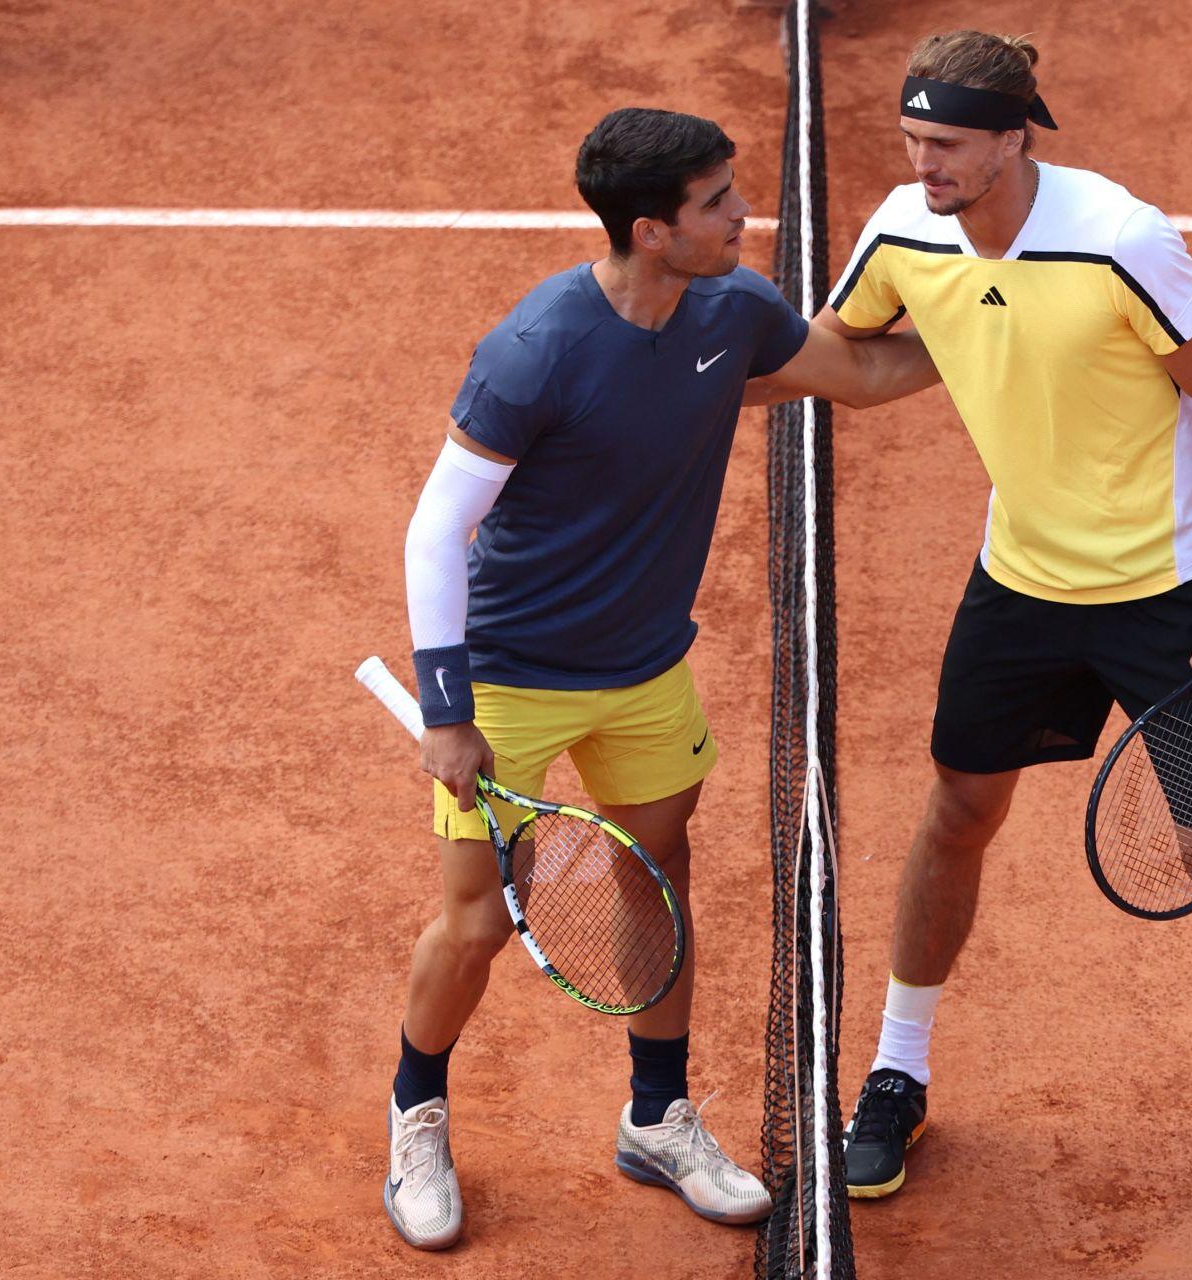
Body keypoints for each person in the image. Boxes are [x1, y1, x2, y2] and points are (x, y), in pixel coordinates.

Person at [817, 31, 1192, 1242]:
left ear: (1018, 137)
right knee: (958, 810)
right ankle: (899, 1070)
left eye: (947, 145)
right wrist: (692, 367)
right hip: (1020, 582)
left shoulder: (1121, 236)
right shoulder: (902, 226)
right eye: (911, 142)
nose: (923, 165)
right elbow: (856, 354)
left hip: (1170, 598)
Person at [383, 105, 938, 1251]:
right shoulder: (535, 348)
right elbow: (437, 530)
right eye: (718, 202)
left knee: (655, 878)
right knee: (480, 918)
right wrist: (449, 714)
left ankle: (657, 1113)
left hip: (645, 671)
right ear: (652, 228)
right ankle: (416, 1110)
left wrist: (1019, 326)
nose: (745, 214)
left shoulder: (732, 311)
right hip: (510, 681)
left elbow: (863, 375)